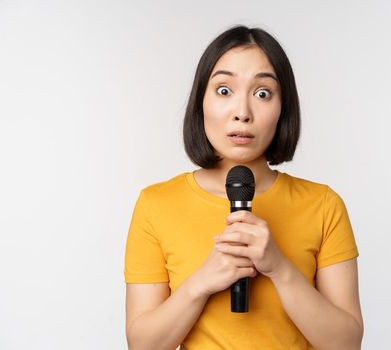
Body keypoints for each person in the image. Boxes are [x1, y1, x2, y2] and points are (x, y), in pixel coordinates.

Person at [124, 25, 363, 349]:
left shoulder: (323, 205)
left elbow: (346, 344)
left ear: (283, 108)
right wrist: (201, 283)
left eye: (262, 93)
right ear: (201, 102)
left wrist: (279, 268)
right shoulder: (156, 204)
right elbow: (143, 345)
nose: (242, 113)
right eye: (224, 90)